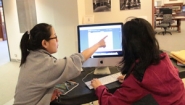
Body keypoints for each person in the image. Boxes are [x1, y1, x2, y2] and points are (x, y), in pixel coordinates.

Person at [91, 18, 185, 105]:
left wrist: (99, 88)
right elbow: (156, 80)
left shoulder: (138, 79)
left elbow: (110, 103)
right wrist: (130, 80)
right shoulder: (164, 59)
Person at [13, 23, 107, 105]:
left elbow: (33, 90)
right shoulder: (46, 64)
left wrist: (46, 97)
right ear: (44, 43)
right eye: (55, 37)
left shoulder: (31, 57)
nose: (58, 40)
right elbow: (75, 61)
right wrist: (98, 44)